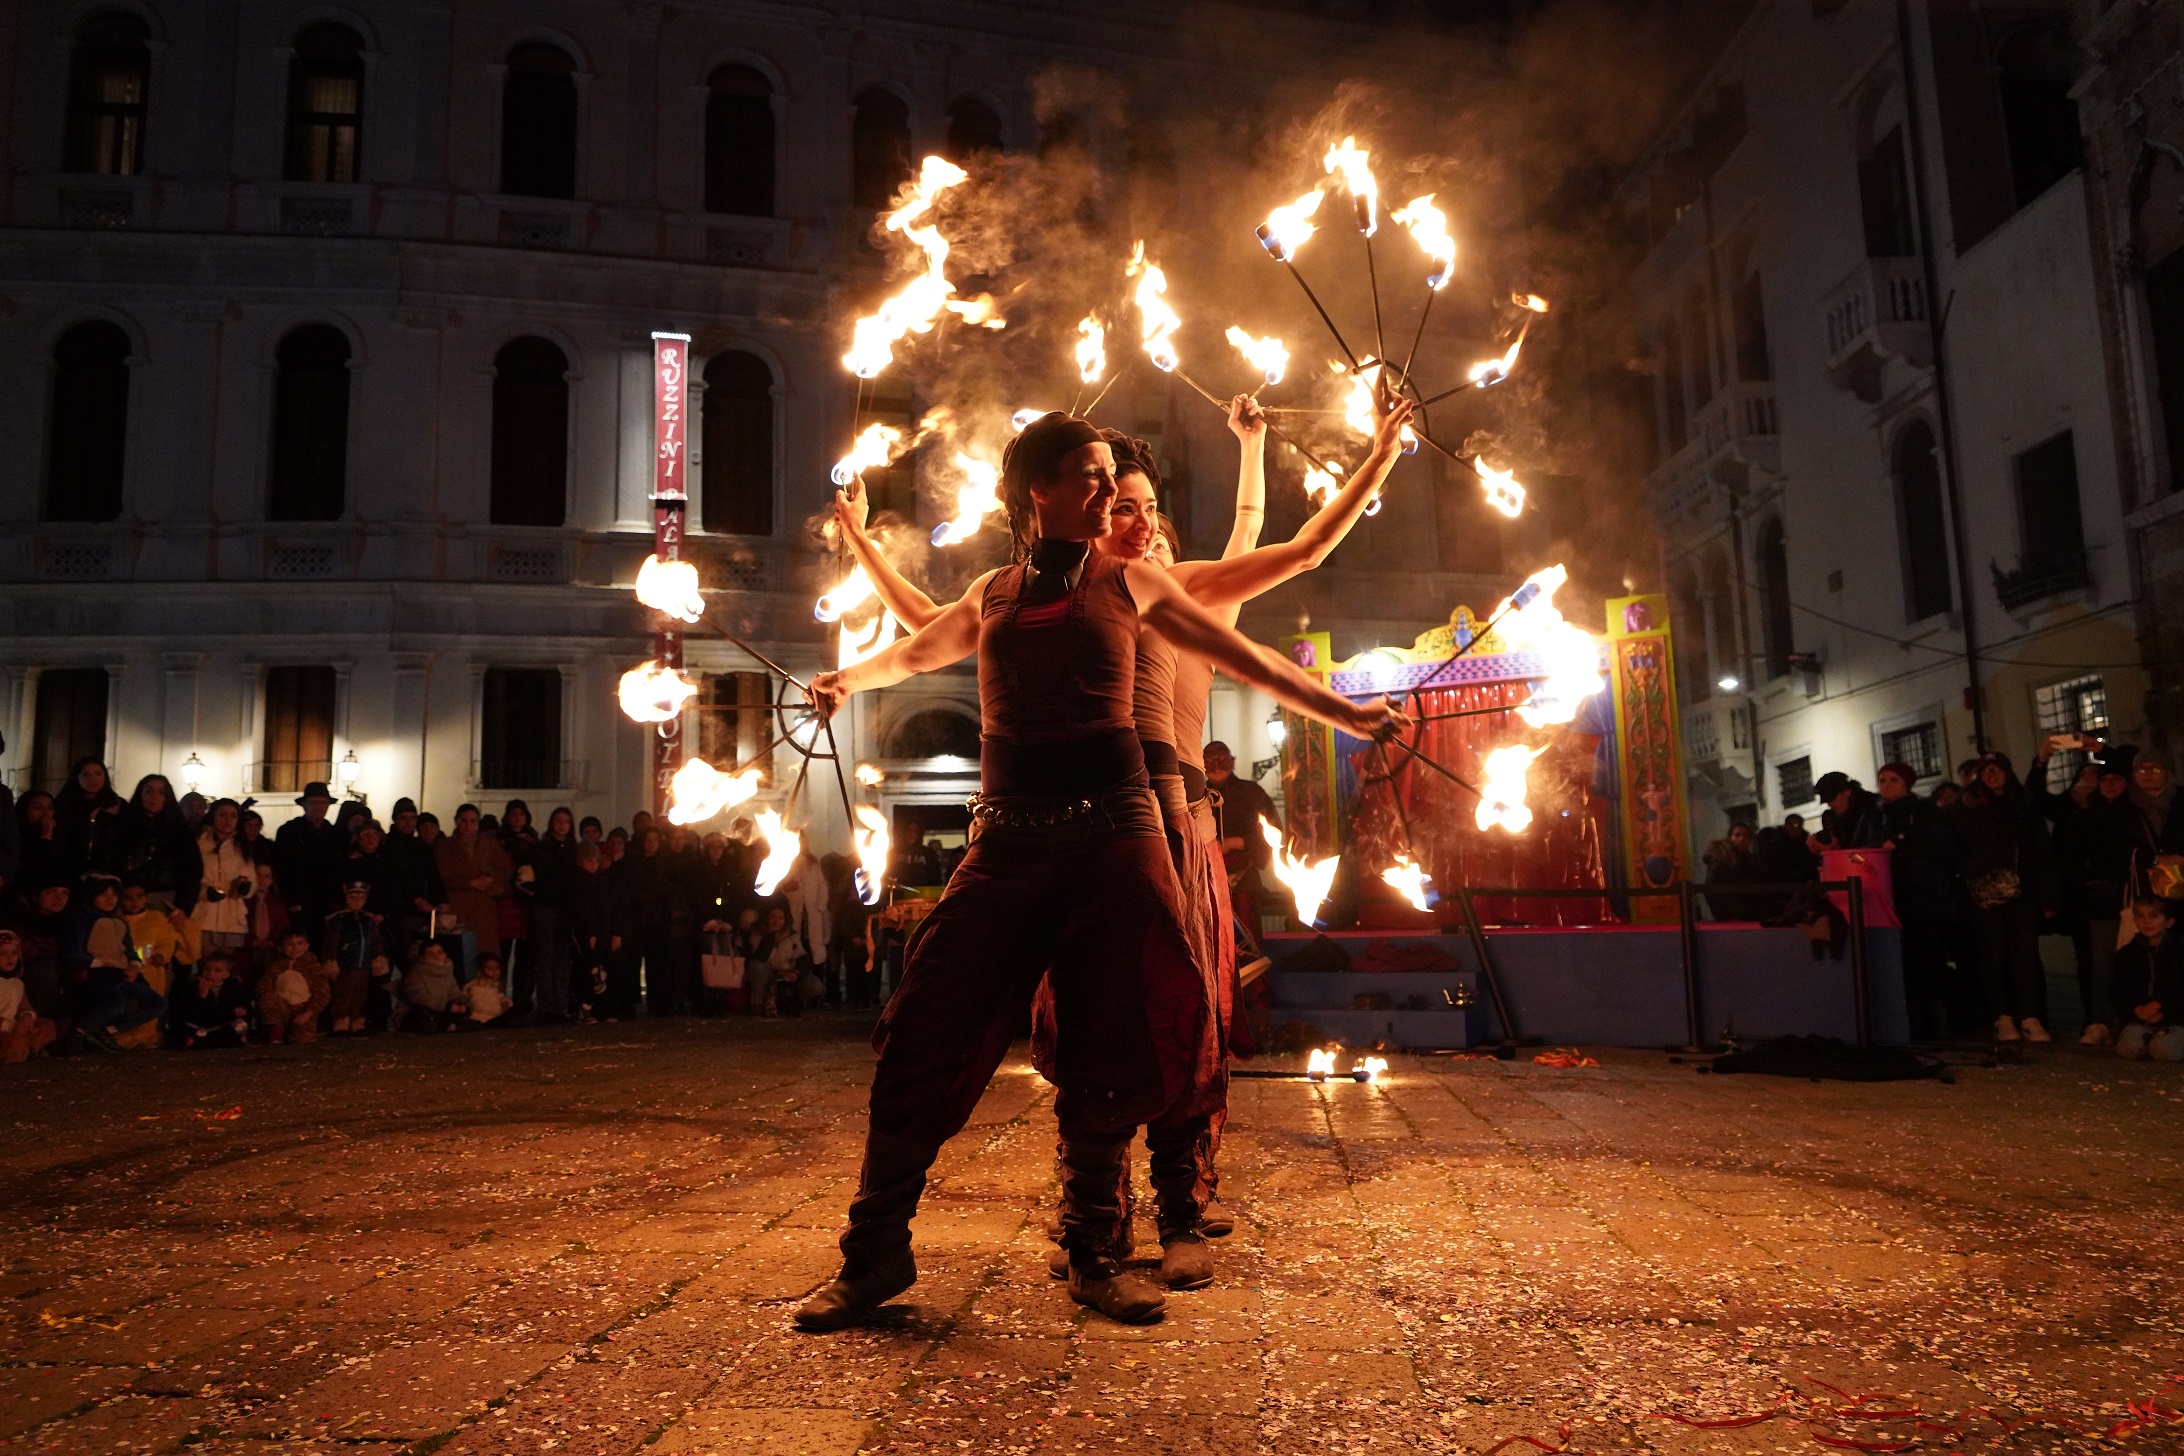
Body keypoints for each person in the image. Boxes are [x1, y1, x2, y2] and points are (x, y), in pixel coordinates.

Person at [792, 410, 1405, 1331]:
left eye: (1111, 478)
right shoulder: (994, 594)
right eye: (1087, 476)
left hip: (1117, 835)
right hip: (1004, 841)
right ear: (1038, 491)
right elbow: (920, 645)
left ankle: (1098, 1252)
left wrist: (1348, 714)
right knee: (925, 1025)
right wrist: (848, 681)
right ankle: (874, 1253)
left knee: (1111, 1039)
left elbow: (1249, 655)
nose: (1107, 491)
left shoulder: (1137, 583)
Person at [1949, 753, 2056, 1043]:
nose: (1993, 774)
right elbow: (1953, 849)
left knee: (2025, 956)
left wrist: (2046, 895)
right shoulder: (1966, 807)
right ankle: (2002, 1017)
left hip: (2022, 890)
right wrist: (1976, 866)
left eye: (1998, 769)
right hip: (1985, 892)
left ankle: (2030, 1016)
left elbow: (2041, 849)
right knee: (1993, 955)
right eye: (1987, 770)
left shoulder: (2022, 805)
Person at [1876, 763, 1960, 1039]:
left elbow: (1942, 846)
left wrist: (1902, 845)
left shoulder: (1924, 812)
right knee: (1907, 962)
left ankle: (1939, 1025)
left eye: (1893, 780)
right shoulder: (1880, 816)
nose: (1887, 785)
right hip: (1895, 900)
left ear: (1907, 783)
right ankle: (1915, 1024)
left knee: (1930, 961)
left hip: (1924, 900)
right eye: (1882, 780)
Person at [70, 873, 163, 1053]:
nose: (110, 899)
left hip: (124, 973)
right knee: (115, 1002)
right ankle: (79, 1033)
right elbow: (73, 954)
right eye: (103, 894)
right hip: (98, 974)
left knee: (157, 1003)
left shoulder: (122, 922)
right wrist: (99, 964)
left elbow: (130, 949)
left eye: (113, 895)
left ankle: (107, 1032)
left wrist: (135, 965)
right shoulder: (81, 922)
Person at [119, 879, 198, 1047]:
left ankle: (145, 1036)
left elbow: (166, 940)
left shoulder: (156, 918)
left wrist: (162, 955)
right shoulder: (117, 920)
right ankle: (123, 1036)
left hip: (151, 970)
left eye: (139, 896)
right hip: (124, 970)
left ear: (146, 898)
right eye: (128, 897)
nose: (134, 902)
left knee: (151, 1003)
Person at [435, 805, 513, 960]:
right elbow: (445, 875)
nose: (468, 825)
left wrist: (491, 879)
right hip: (458, 906)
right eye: (464, 821)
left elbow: (506, 868)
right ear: (456, 821)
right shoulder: (444, 846)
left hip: (484, 908)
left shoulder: (489, 843)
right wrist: (470, 883)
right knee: (459, 955)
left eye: (472, 821)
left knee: (486, 955)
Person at [2111, 899, 2184, 1061]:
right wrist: (2137, 1008)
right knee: (2128, 1048)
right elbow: (2119, 989)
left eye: (2153, 916)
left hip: (2176, 1019)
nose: (2147, 921)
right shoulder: (2127, 953)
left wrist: (2161, 1006)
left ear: (2169, 922)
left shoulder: (2179, 951)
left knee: (2164, 1051)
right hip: (2140, 1018)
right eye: (2141, 916)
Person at [274, 782, 347, 941]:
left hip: (327, 904)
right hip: (299, 902)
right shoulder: (289, 832)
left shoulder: (335, 835)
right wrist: (292, 899)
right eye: (313, 802)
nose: (318, 807)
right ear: (304, 804)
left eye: (323, 803)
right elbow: (281, 868)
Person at [565, 840, 625, 1022]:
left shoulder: (599, 882)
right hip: (584, 934)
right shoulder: (578, 883)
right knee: (586, 971)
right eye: (589, 860)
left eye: (596, 860)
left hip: (598, 933)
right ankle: (584, 1008)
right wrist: (590, 933)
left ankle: (591, 1007)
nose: (594, 864)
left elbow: (605, 910)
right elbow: (583, 911)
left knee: (594, 970)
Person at [191, 799, 258, 961]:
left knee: (224, 967)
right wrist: (204, 892)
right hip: (204, 914)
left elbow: (252, 879)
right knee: (206, 965)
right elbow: (189, 877)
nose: (228, 820)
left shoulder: (241, 846)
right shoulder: (198, 843)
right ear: (213, 816)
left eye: (233, 816)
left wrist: (245, 888)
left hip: (231, 916)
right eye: (222, 815)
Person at [321, 877, 389, 1035]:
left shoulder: (368, 921)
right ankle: (341, 1020)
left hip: (363, 964)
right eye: (353, 897)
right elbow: (330, 943)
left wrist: (377, 958)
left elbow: (376, 942)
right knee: (343, 993)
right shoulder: (338, 920)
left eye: (361, 898)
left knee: (360, 993)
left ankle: (357, 1019)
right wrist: (331, 961)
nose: (357, 901)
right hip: (346, 963)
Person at [529, 807, 579, 1021]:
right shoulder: (541, 848)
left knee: (562, 959)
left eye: (566, 821)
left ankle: (560, 1006)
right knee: (546, 958)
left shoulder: (574, 850)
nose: (561, 825)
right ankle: (546, 1007)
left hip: (566, 910)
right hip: (546, 907)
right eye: (558, 820)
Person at [52, 758, 123, 878]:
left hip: (107, 872)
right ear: (76, 777)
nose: (93, 779)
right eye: (86, 774)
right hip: (69, 871)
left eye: (98, 773)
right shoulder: (63, 805)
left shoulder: (117, 805)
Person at [257, 928, 331, 1044]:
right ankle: (277, 1029)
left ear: (306, 946)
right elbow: (264, 986)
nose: (295, 948)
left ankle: (294, 1032)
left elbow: (322, 993)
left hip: (303, 1010)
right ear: (280, 948)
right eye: (290, 944)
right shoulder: (274, 966)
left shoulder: (314, 967)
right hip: (282, 1007)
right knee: (269, 997)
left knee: (302, 1039)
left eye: (299, 943)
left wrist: (308, 1013)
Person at [170, 952, 252, 1050]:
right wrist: (201, 995)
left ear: (226, 974)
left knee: (240, 1026)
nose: (210, 973)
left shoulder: (233, 987)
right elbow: (185, 1013)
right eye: (207, 969)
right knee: (180, 1029)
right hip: (197, 1026)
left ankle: (201, 1042)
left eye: (217, 971)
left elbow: (245, 1007)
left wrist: (241, 1011)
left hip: (220, 1026)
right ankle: (211, 1041)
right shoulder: (192, 985)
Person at [0, 931, 59, 1063]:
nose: (10, 958)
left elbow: (25, 1006)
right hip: (3, 1028)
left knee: (47, 1026)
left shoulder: (17, 983)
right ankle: (20, 1050)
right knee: (10, 1045)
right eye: (2, 954)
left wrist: (27, 1017)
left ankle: (29, 1047)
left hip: (16, 1027)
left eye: (13, 953)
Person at [398, 941, 467, 1032]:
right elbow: (419, 998)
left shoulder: (447, 972)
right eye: (430, 954)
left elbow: (454, 993)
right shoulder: (415, 975)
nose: (436, 956)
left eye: (439, 952)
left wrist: (462, 1004)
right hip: (421, 1014)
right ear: (423, 958)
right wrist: (446, 1006)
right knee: (422, 1013)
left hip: (443, 1013)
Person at [1701, 821, 1761, 921]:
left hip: (1749, 915)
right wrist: (1725, 916)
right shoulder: (1722, 859)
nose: (1741, 839)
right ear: (1730, 838)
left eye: (1745, 835)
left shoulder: (1750, 859)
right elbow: (1711, 889)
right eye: (1737, 835)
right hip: (1732, 917)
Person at [1811, 772, 1885, 850]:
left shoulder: (1873, 809)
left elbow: (1871, 848)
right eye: (1827, 801)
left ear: (1847, 791)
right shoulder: (1838, 816)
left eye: (1832, 799)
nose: (1830, 805)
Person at [13, 790, 63, 893]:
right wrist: (46, 835)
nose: (46, 813)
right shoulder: (14, 834)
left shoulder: (59, 833)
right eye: (38, 808)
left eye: (50, 808)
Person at [462, 952, 514, 1028]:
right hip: (481, 1020)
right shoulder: (474, 986)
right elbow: (478, 1006)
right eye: (490, 968)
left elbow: (499, 996)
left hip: (496, 1018)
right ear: (481, 970)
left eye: (497, 967)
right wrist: (500, 1010)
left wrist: (506, 1002)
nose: (495, 971)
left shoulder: (495, 985)